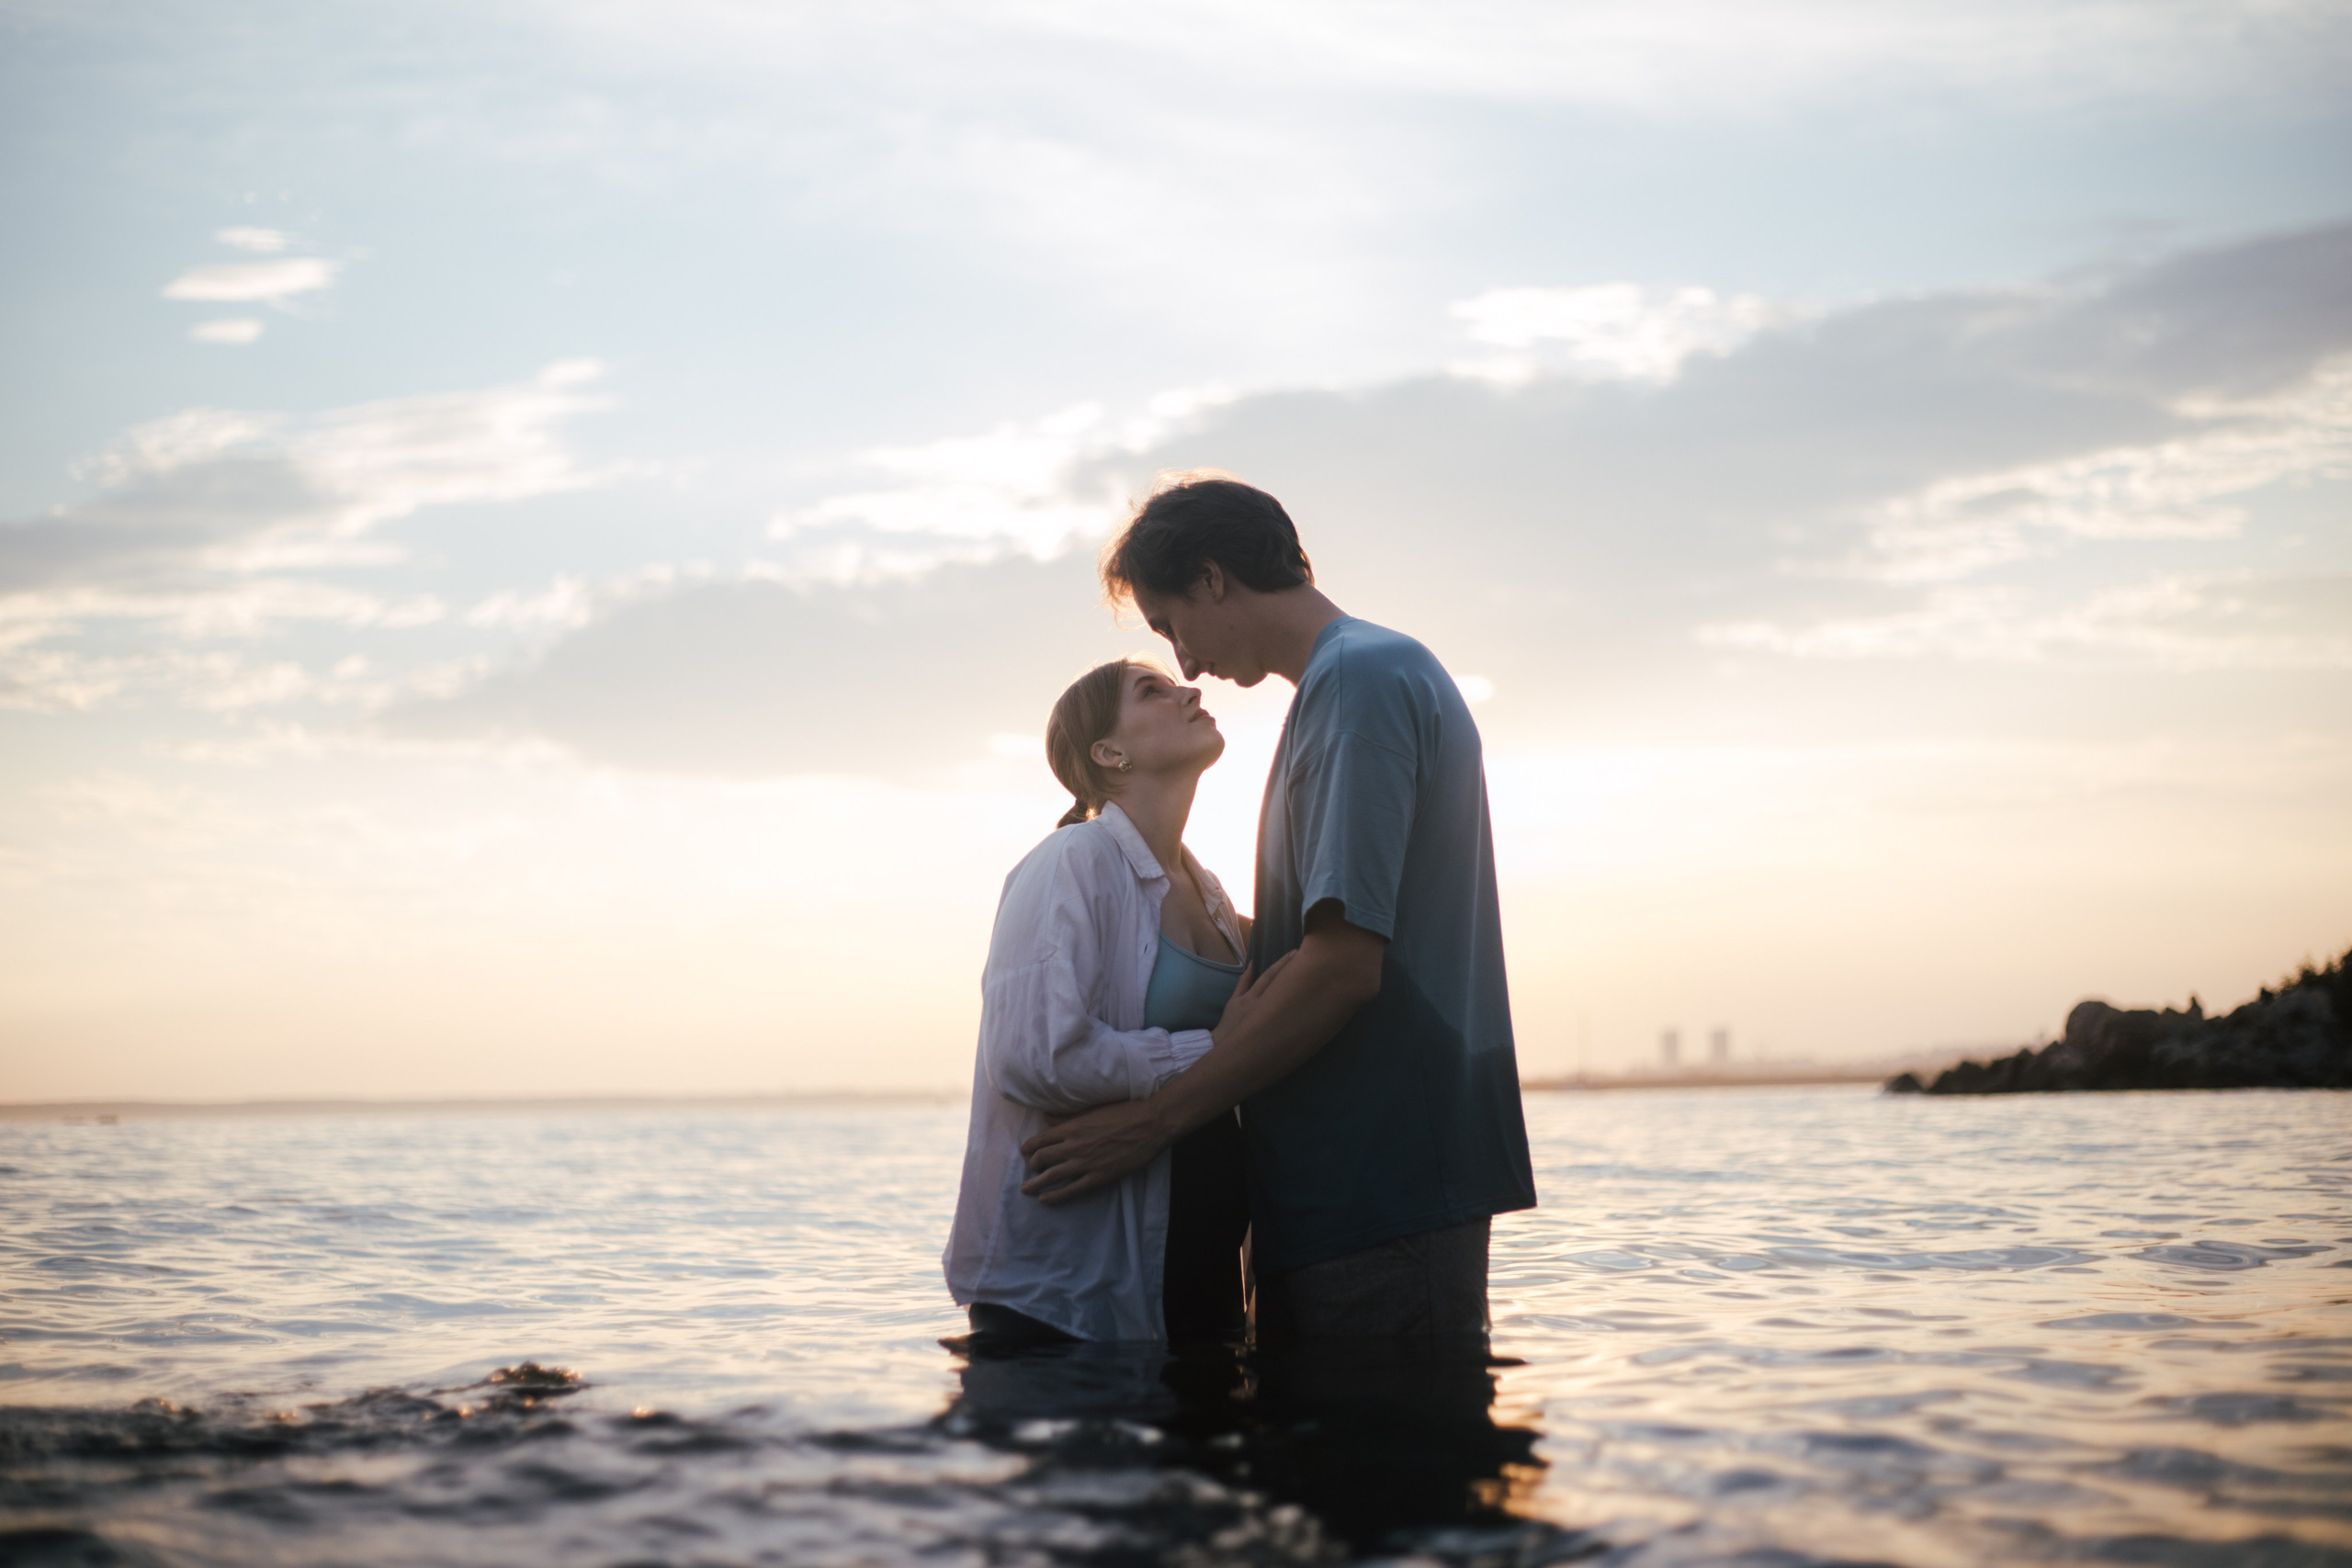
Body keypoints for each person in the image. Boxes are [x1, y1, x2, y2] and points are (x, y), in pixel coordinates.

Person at [1019, 474, 1536, 1342]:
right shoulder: (1349, 688)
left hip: (1380, 1184)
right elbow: (1312, 941)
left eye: (1169, 625)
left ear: (1213, 578)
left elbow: (1340, 969)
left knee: (1374, 1464)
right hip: (1354, 1185)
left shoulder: (1357, 688)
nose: (1183, 663)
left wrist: (1149, 1125)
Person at [942, 658, 1291, 1346]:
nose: (1190, 690)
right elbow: (1037, 1055)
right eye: (1152, 691)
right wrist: (1216, 1048)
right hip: (1067, 1297)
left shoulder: (1209, 888)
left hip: (1194, 1284)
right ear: (1110, 752)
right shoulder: (1071, 861)